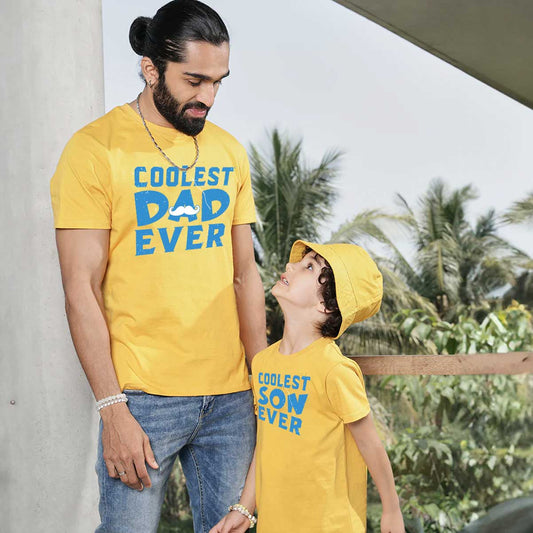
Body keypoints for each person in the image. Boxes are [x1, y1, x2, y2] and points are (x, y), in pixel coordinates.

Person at [50, 1, 266, 532]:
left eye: (218, 82)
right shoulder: (94, 151)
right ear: (151, 69)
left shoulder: (229, 153)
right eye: (194, 81)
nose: (208, 98)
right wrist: (111, 408)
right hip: (142, 400)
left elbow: (246, 274)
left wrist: (264, 378)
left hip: (233, 398)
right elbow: (81, 289)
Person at [210, 241, 405, 533]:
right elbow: (266, 444)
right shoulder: (263, 363)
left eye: (309, 267)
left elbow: (371, 446)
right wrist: (244, 509)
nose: (291, 266)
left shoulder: (334, 370)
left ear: (326, 305)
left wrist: (391, 510)